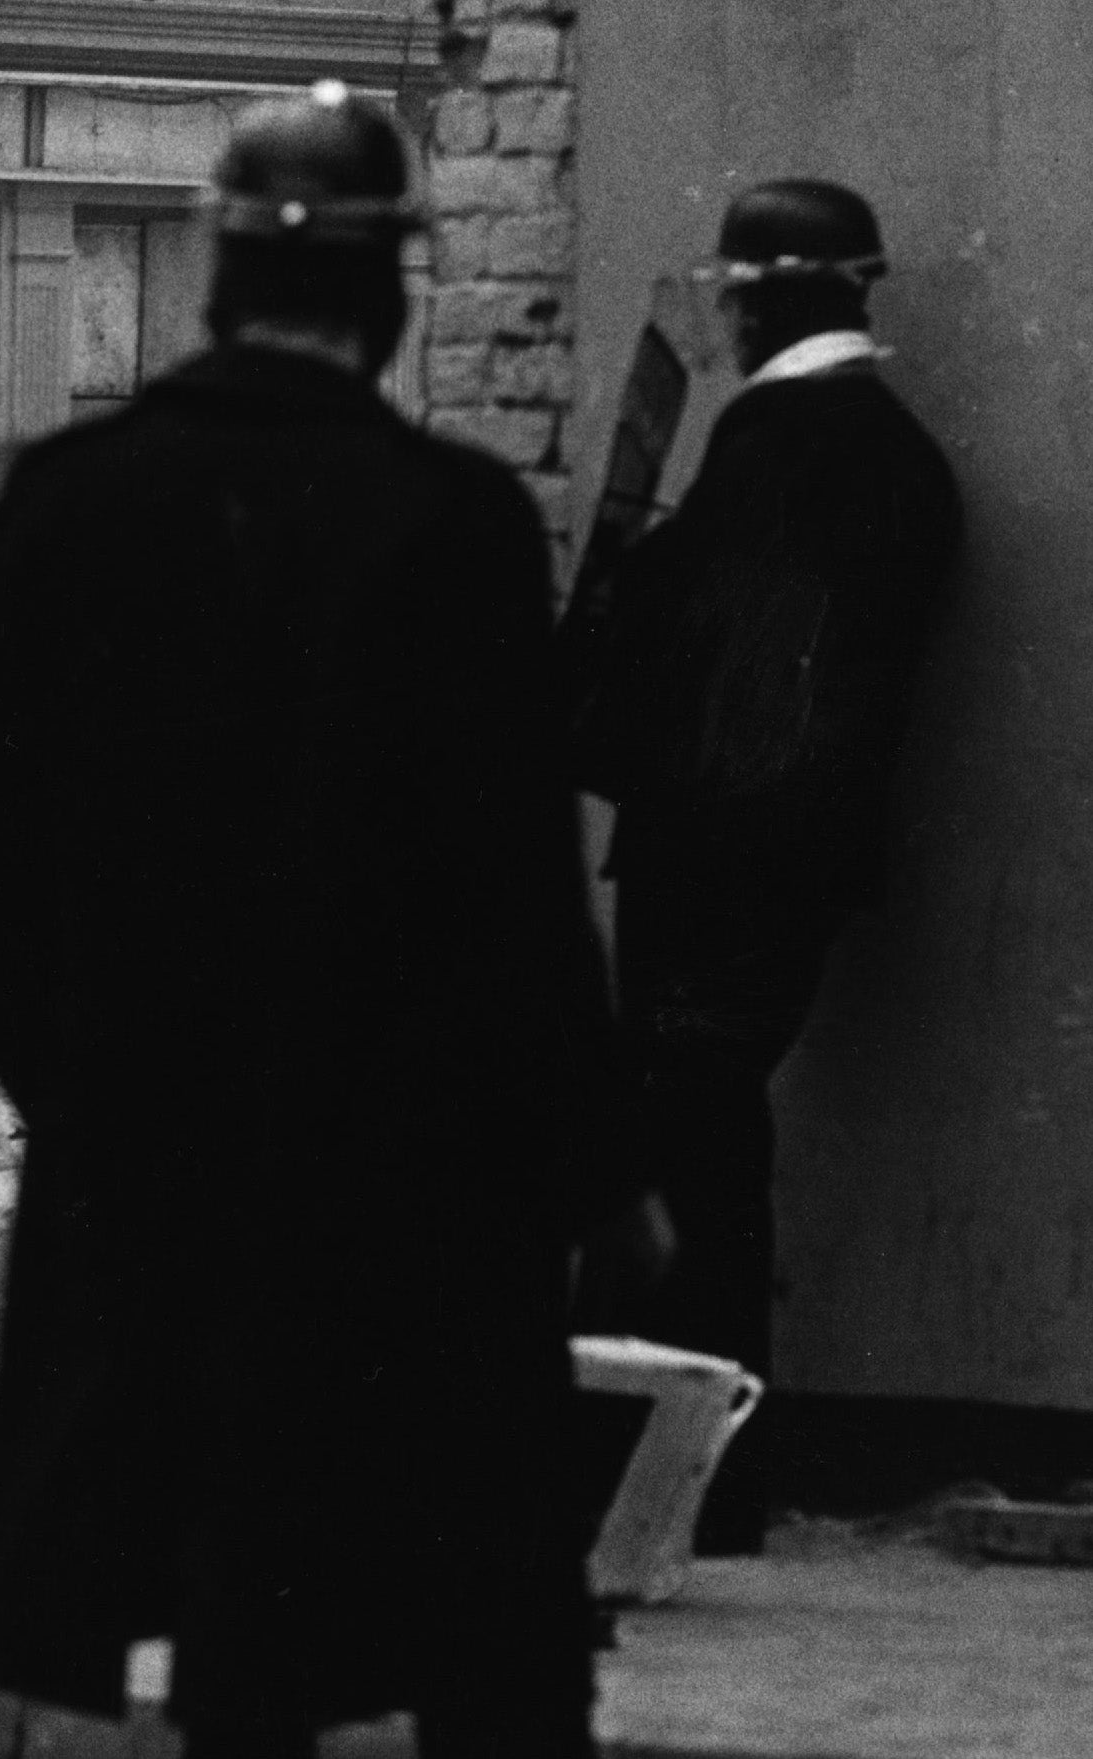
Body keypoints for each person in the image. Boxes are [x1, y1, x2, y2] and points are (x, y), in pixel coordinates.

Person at [0, 88, 664, 1759]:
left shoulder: (71, 500)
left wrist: (77, 1036)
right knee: (475, 1614)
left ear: (216, 274)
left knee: (226, 1604)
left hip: (152, 1146)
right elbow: (517, 886)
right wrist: (600, 1169)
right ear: (388, 290)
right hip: (415, 1163)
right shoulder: (445, 517)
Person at [560, 181, 963, 1552]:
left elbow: (691, 665)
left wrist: (601, 638)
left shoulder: (772, 439)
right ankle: (691, 1478)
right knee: (705, 1148)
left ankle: (668, 1483)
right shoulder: (899, 458)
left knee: (682, 1160)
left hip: (711, 863)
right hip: (785, 868)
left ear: (757, 297)